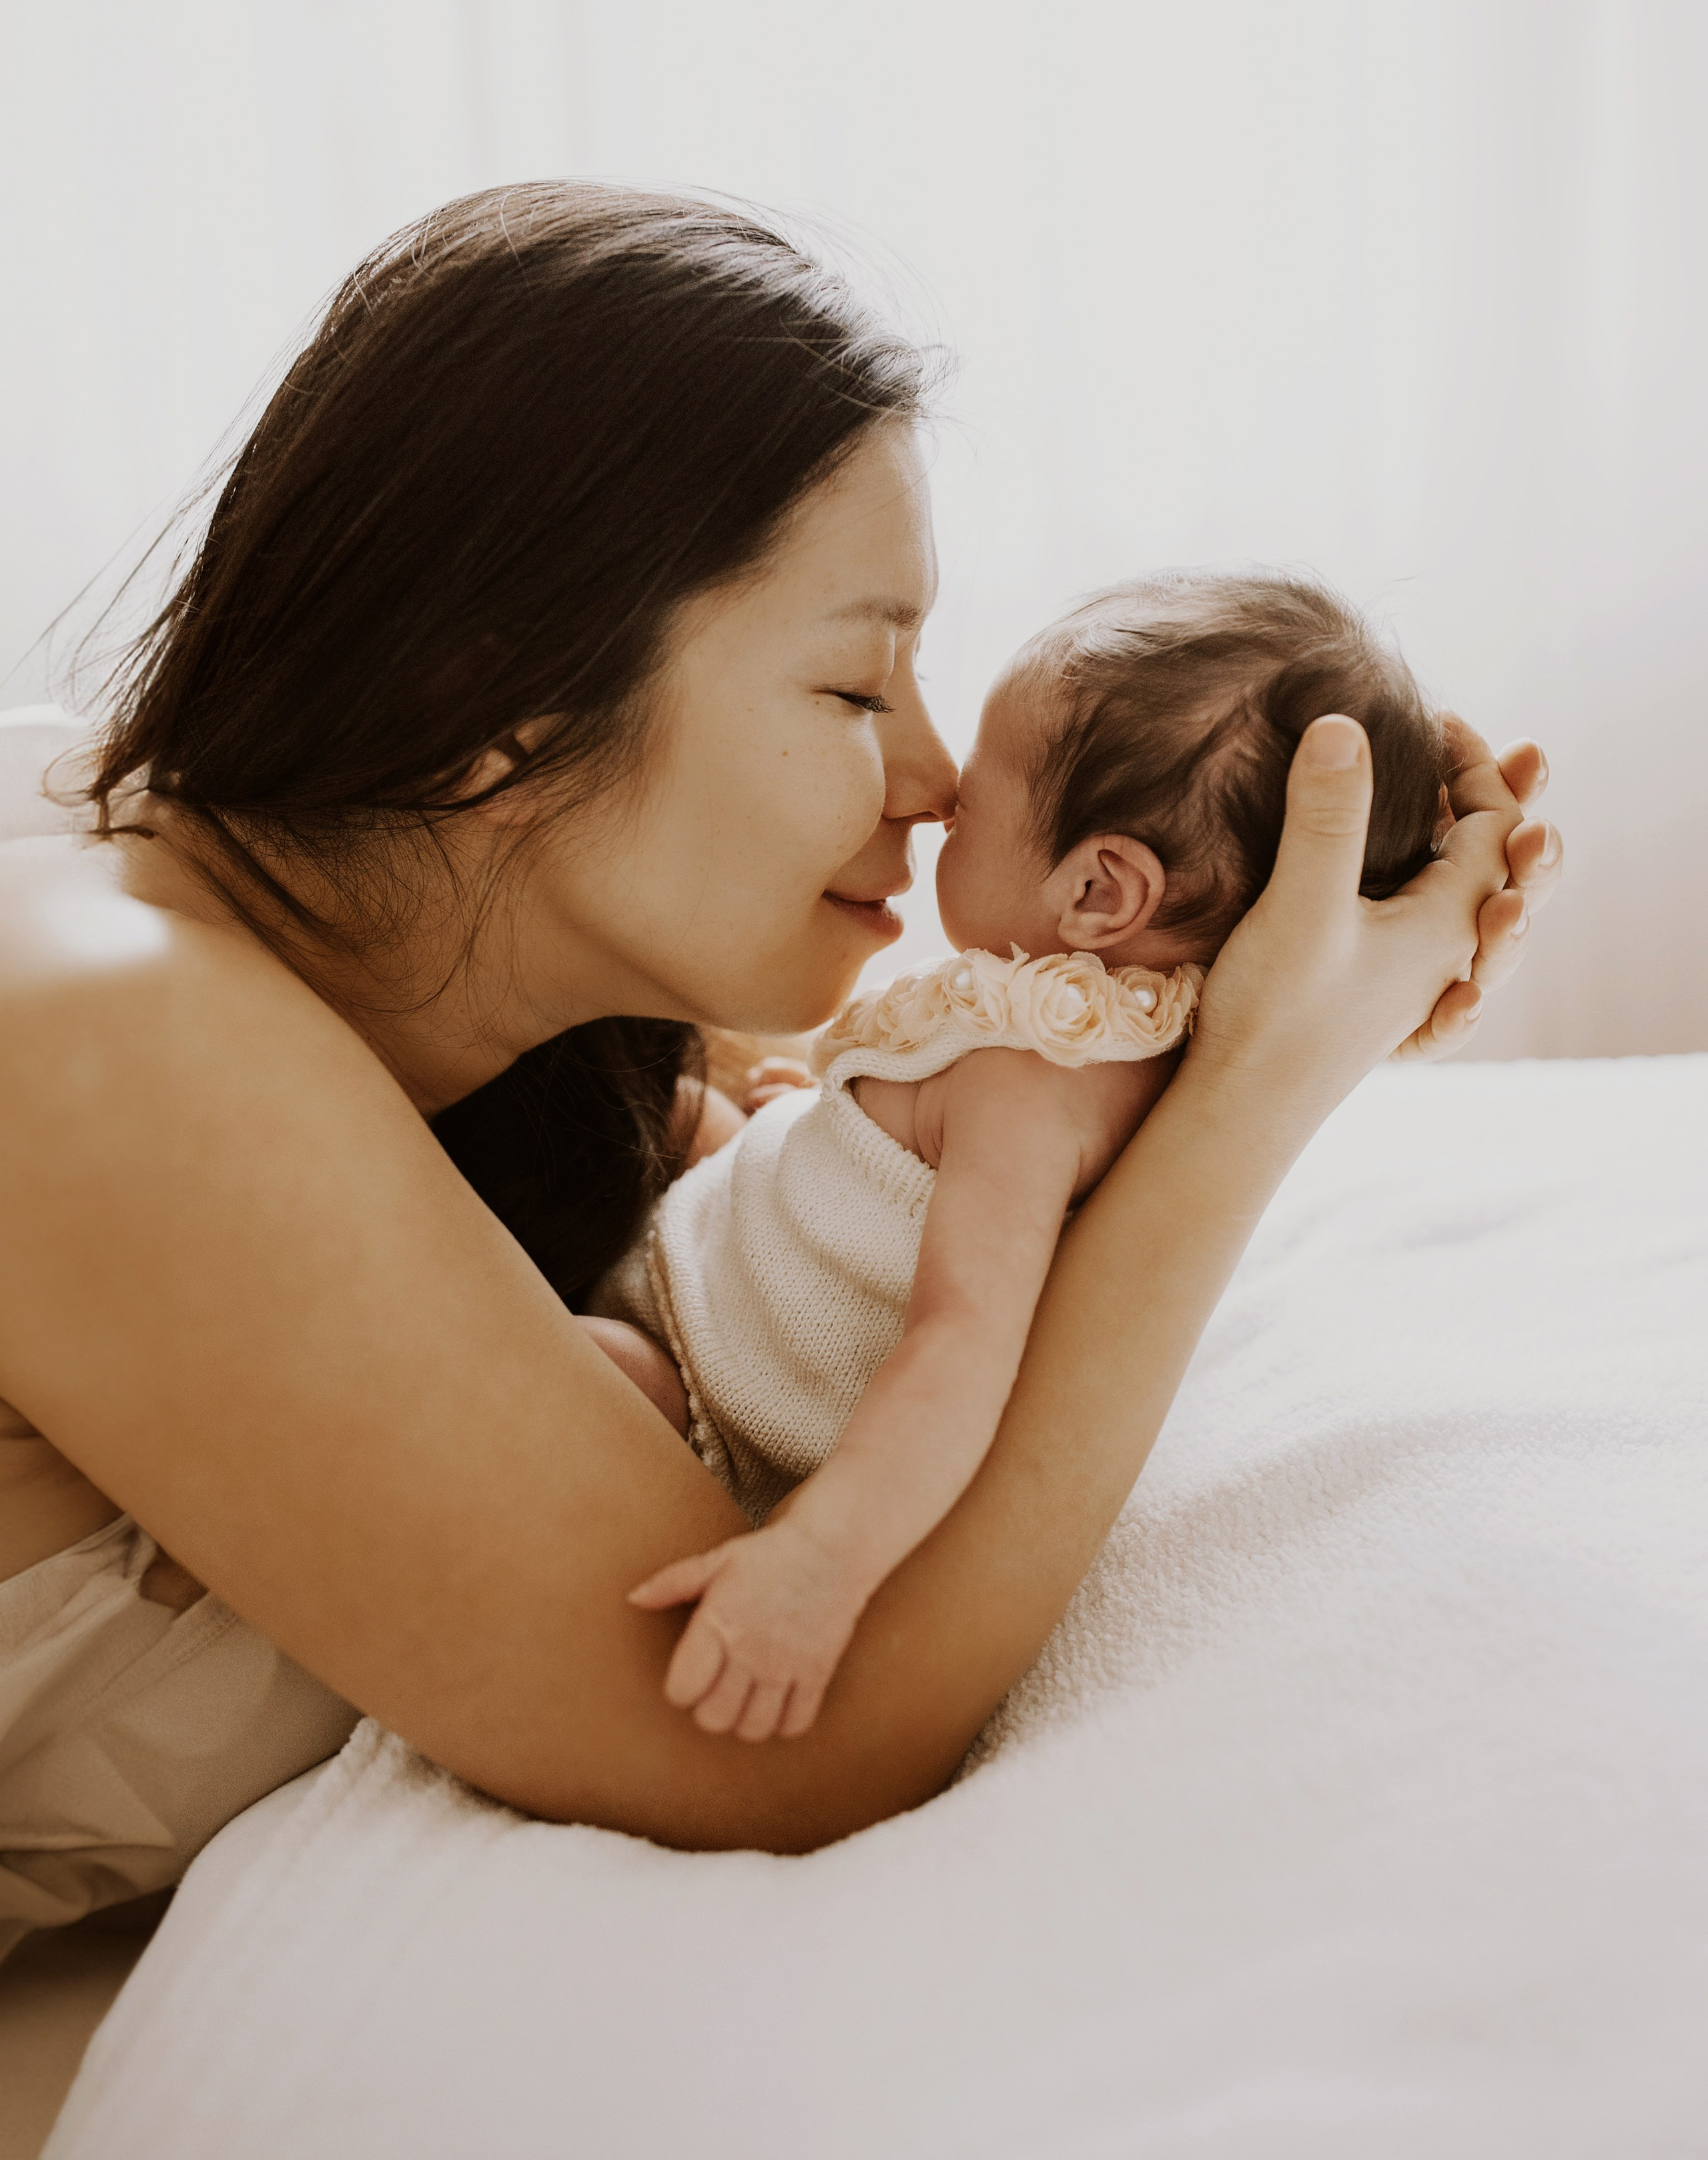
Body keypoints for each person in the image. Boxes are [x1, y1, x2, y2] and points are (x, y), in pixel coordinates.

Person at [0, 185, 1558, 1944]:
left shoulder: (482, 1007)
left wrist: (1237, 952)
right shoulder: (110, 1027)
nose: (930, 775)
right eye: (851, 689)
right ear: (488, 704)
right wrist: (1256, 1094)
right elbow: (775, 1752)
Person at [593, 572, 1450, 1738]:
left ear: (1099, 890)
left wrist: (822, 1559)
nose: (942, 793)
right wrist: (833, 1121)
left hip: (697, 1375)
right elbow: (904, 1189)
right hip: (754, 1224)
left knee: (580, 1366)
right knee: (691, 1101)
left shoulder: (1029, 1080)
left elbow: (957, 1343)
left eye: (979, 802)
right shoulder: (1099, 1041)